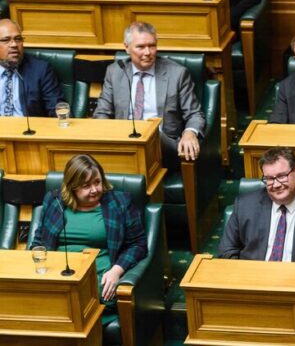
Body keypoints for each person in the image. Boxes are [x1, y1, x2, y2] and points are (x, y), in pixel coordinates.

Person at [31, 154, 147, 323]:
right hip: (56, 274)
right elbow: (39, 241)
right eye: (86, 186)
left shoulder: (120, 202)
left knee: (87, 302)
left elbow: (138, 244)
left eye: (97, 182)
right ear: (72, 187)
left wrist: (116, 270)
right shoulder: (54, 200)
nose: (94, 190)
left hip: (98, 275)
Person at [93, 21, 205, 171]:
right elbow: (102, 113)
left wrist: (190, 133)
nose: (148, 52)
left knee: (153, 135)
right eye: (140, 47)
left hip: (163, 146)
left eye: (152, 46)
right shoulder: (115, 72)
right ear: (126, 48)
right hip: (124, 143)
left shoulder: (177, 73)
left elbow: (194, 114)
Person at [219, 147, 295, 262]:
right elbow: (227, 251)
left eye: (281, 176)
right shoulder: (245, 205)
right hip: (253, 276)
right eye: (269, 179)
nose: (276, 185)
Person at [0, 19, 64, 117]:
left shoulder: (40, 70)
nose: (14, 45)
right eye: (6, 40)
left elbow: (56, 108)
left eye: (18, 39)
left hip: (29, 130)